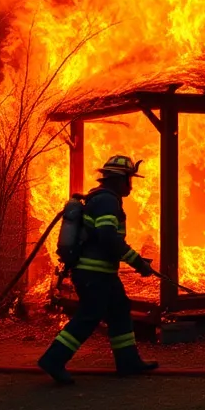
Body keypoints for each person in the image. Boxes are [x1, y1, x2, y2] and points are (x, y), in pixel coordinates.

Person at [38, 154, 158, 385]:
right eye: (128, 179)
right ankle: (54, 359)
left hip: (102, 273)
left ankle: (128, 362)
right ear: (118, 179)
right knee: (89, 316)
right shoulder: (107, 201)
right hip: (94, 273)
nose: (130, 185)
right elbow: (108, 238)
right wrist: (138, 263)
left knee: (120, 310)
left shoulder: (103, 199)